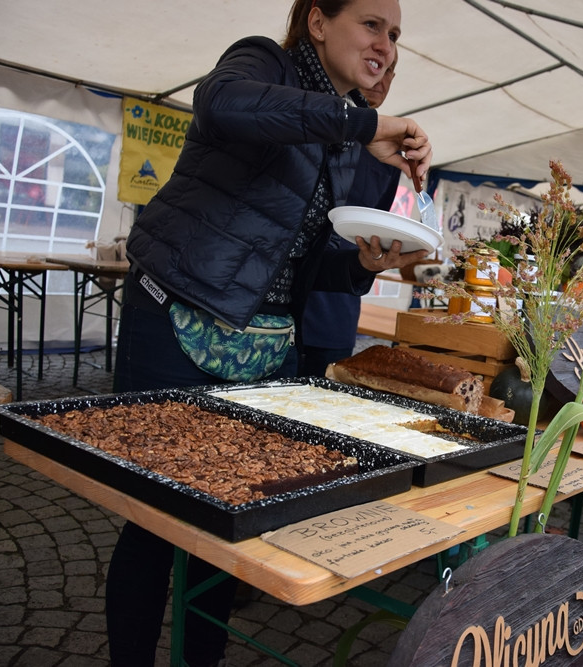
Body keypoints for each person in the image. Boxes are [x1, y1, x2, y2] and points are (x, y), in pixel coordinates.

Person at [107, 1, 431, 665]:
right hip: (176, 316)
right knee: (152, 519)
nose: (387, 46)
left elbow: (306, 266)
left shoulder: (348, 142)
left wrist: (362, 264)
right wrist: (365, 121)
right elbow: (223, 104)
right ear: (318, 21)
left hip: (261, 349)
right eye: (372, 24)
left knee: (230, 520)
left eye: (395, 35)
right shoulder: (262, 61)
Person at [299, 53, 400, 376]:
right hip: (278, 302)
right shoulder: (308, 123)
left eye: (390, 70)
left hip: (335, 310)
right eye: (377, 65)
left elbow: (373, 232)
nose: (381, 77)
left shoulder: (388, 155)